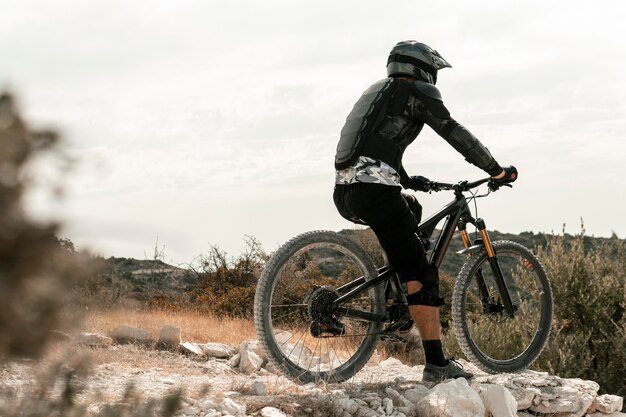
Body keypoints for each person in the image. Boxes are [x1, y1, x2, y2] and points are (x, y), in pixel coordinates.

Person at [333, 40, 517, 382]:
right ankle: (437, 365)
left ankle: (394, 298)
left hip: (346, 192)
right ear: (423, 69)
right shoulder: (418, 90)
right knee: (423, 273)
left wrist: (409, 180)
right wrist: (494, 169)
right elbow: (454, 132)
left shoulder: (379, 92)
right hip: (375, 192)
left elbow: (372, 145)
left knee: (411, 208)